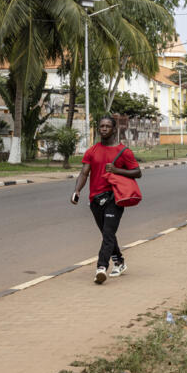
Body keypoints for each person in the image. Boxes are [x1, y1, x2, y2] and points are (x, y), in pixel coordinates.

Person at [71, 115, 142, 284]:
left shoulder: (124, 152)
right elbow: (84, 173)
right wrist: (77, 190)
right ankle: (119, 261)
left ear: (113, 129)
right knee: (106, 234)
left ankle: (101, 268)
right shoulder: (92, 151)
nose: (104, 128)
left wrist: (117, 170)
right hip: (95, 199)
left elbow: (137, 172)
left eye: (107, 126)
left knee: (108, 233)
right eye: (101, 126)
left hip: (115, 199)